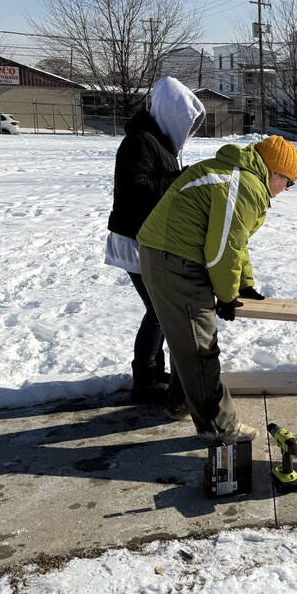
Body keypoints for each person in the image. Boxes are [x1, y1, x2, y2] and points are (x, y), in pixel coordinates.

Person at [137, 135, 297, 444]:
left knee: (187, 335)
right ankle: (220, 427)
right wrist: (226, 296)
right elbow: (222, 248)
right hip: (173, 259)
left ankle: (179, 401)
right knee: (200, 345)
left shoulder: (241, 176)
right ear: (274, 172)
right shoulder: (245, 184)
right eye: (288, 182)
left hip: (167, 253)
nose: (286, 190)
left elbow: (235, 240)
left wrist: (244, 283)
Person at [105, 76, 203, 403]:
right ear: (170, 114)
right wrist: (178, 180)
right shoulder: (139, 143)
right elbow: (136, 190)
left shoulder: (158, 143)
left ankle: (153, 371)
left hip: (145, 239)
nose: (187, 131)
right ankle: (144, 379)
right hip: (133, 241)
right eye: (185, 123)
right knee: (160, 311)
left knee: (159, 309)